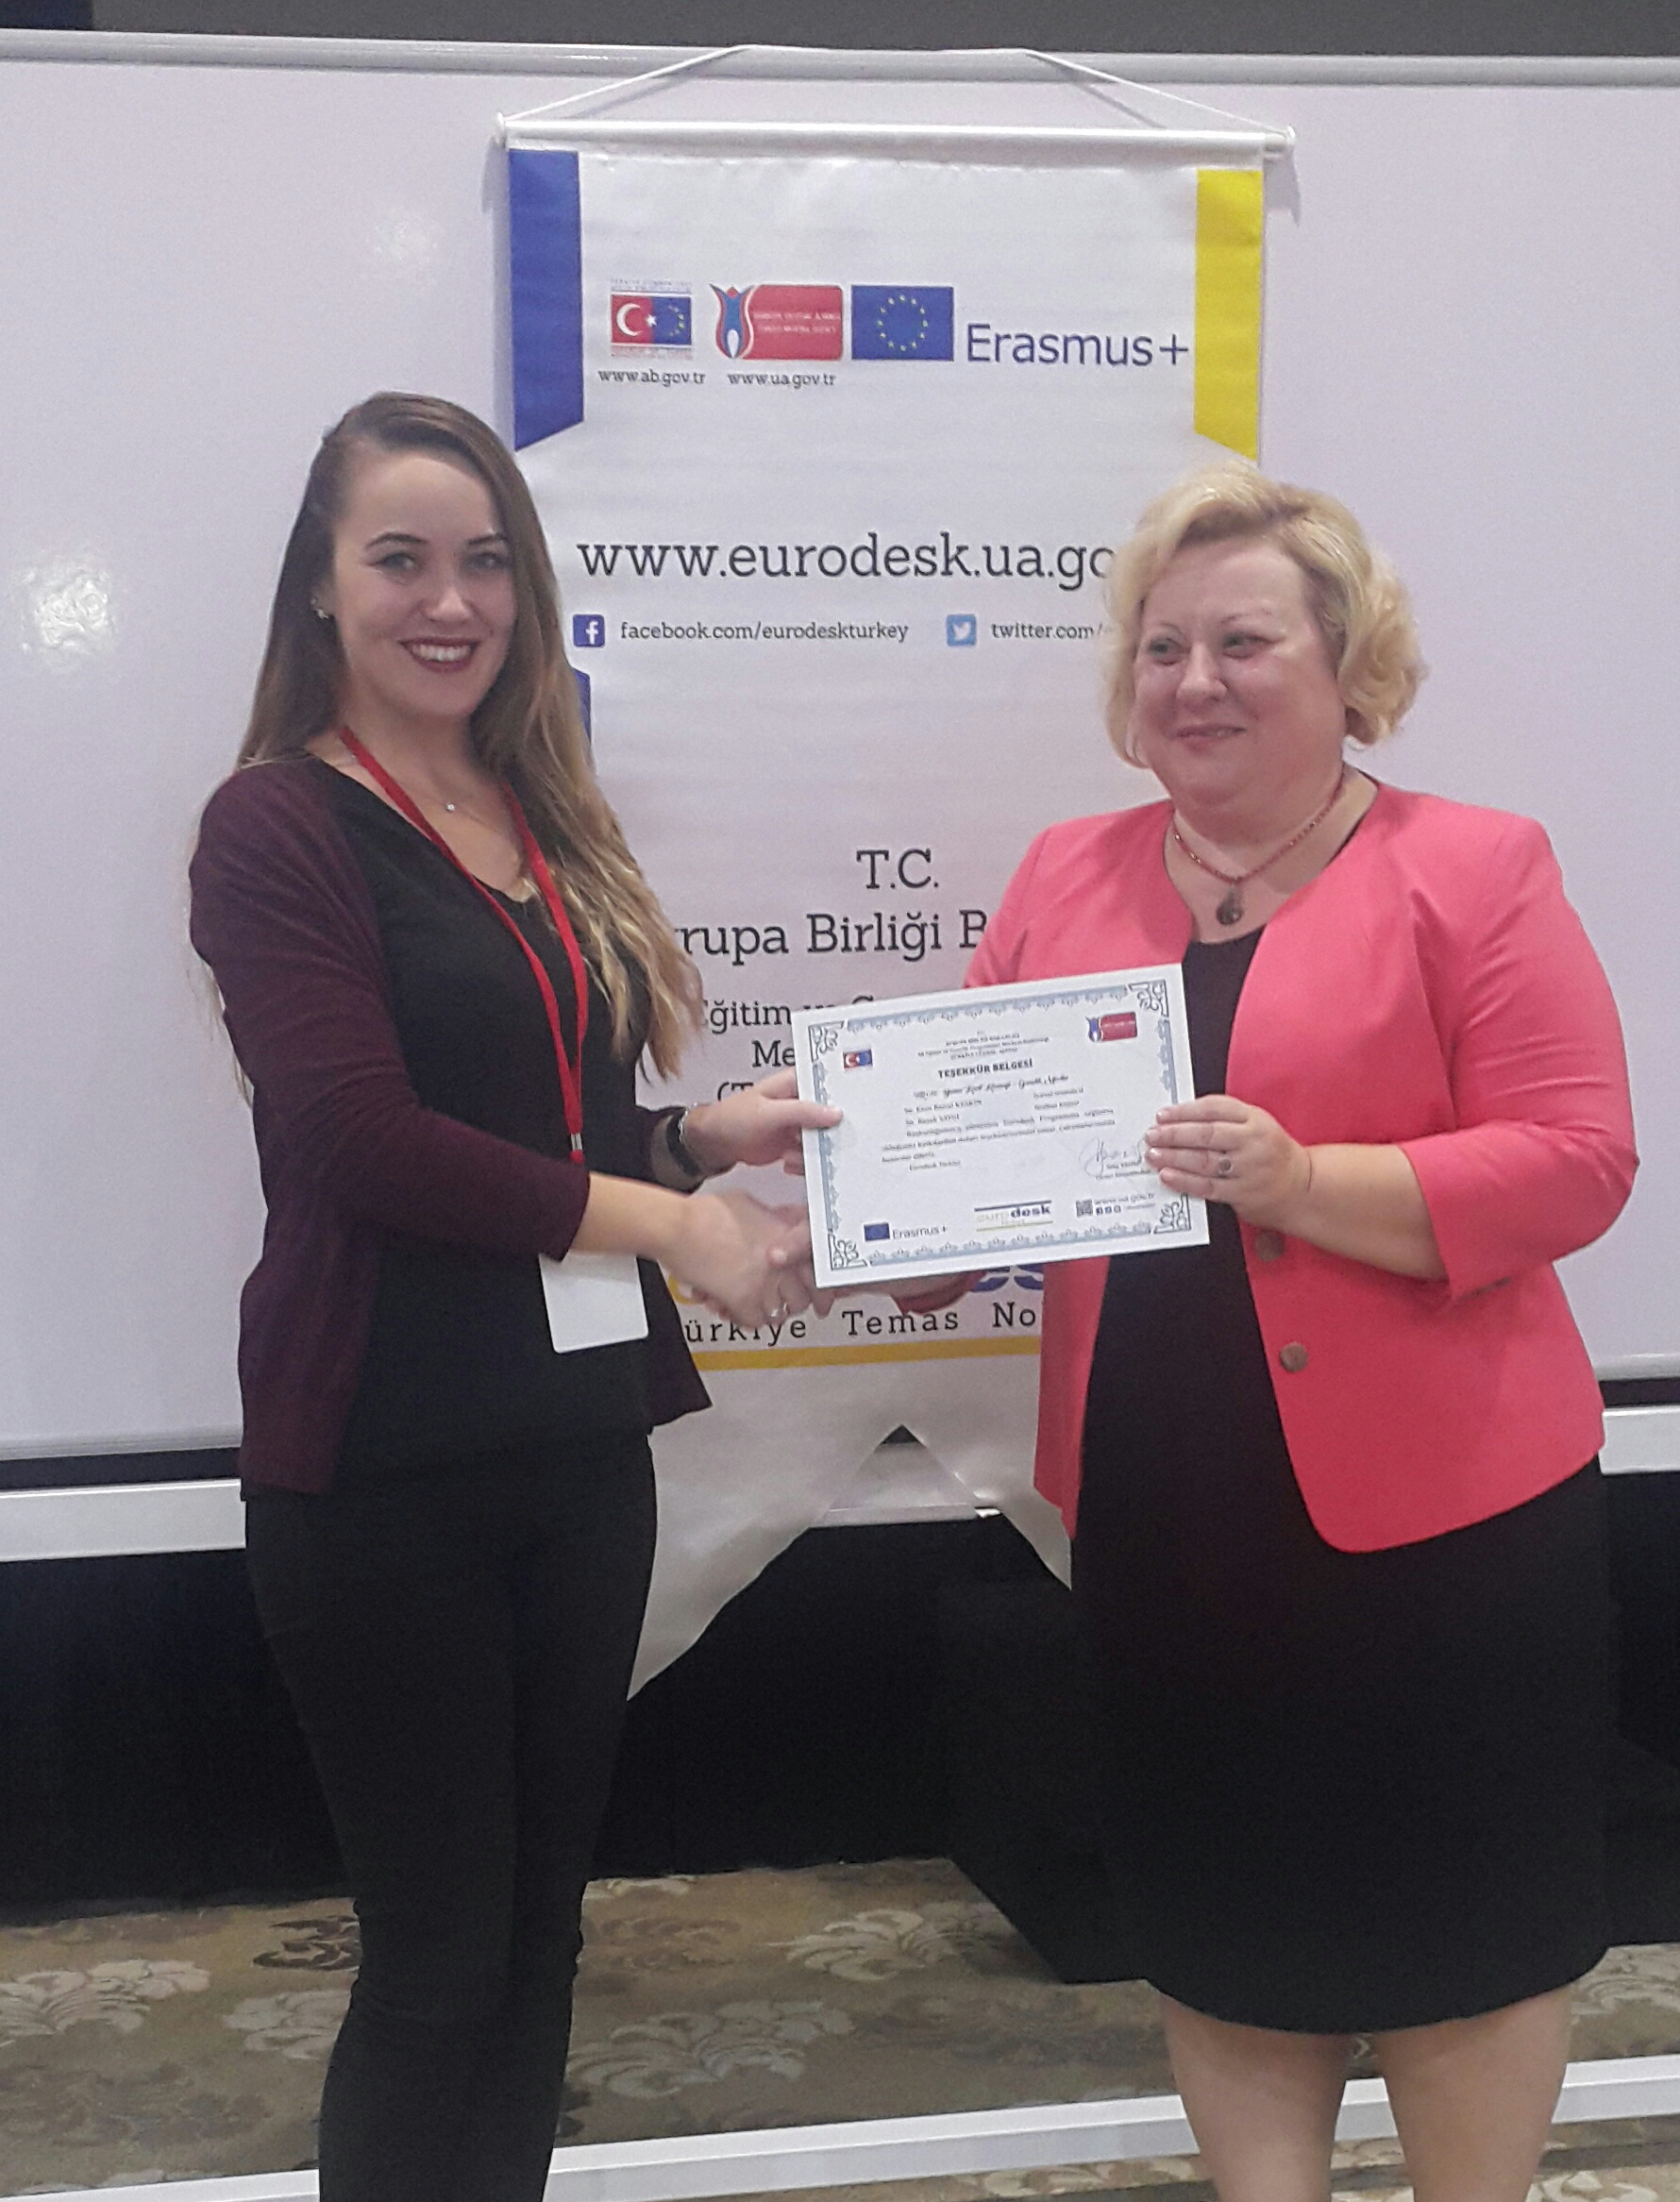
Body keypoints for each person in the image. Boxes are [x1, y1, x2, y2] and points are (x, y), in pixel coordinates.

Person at [919, 464, 1638, 2202]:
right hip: (1167, 1524)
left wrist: (1311, 1181)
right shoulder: (1066, 873)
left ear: (1347, 663)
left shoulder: (1474, 865)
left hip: (1453, 1535)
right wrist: (874, 1220)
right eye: (1162, 646)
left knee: (1466, 1936)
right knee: (1223, 1926)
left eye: (1243, 642)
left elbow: (1579, 1157)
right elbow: (973, 1162)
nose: (1194, 682)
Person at [189, 391, 834, 2202]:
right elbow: (364, 1142)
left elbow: (534, 1124)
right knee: (437, 1962)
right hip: (383, 1467)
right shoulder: (275, 824)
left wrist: (692, 1139)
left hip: (573, 1449)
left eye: (486, 561)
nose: (450, 600)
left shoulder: (532, 809)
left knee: (543, 1938)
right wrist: (673, 1223)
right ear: (321, 586)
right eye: (400, 558)